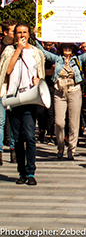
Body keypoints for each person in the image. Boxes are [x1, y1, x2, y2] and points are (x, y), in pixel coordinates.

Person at [36, 36, 86, 160]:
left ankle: (71, 148)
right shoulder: (57, 59)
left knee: (73, 122)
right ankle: (60, 146)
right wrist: (37, 38)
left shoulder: (78, 59)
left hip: (74, 91)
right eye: (65, 46)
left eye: (70, 47)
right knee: (59, 122)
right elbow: (43, 53)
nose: (67, 49)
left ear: (73, 49)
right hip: (59, 92)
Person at [0, 23, 46, 185]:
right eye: (19, 32)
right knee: (17, 138)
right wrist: (18, 50)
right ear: (15, 35)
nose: (21, 35)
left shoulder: (36, 53)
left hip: (29, 97)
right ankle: (21, 171)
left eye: (24, 32)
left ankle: (31, 171)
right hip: (13, 97)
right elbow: (7, 70)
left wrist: (38, 80)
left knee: (29, 136)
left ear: (29, 34)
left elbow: (41, 74)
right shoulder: (9, 51)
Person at [0, 18, 17, 165]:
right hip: (2, 87)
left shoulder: (20, 47)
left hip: (15, 88)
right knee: (0, 121)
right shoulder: (1, 47)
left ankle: (13, 149)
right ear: (6, 32)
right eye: (14, 31)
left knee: (13, 121)